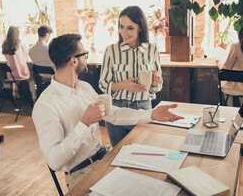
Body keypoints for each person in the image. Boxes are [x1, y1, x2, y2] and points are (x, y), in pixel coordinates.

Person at [32, 34, 182, 189]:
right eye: (85, 54)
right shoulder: (46, 105)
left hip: (105, 156)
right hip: (81, 172)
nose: (86, 58)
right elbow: (54, 161)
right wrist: (84, 123)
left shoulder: (84, 87)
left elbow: (114, 114)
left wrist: (151, 114)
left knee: (156, 173)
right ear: (73, 61)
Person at [98, 6, 163, 147]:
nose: (123, 32)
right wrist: (124, 85)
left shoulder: (153, 49)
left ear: (140, 28)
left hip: (143, 108)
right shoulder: (111, 51)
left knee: (143, 152)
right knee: (117, 154)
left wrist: (156, 83)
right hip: (116, 110)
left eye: (130, 28)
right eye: (121, 26)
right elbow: (103, 85)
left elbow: (158, 85)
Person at [2, 26, 37, 102]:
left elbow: (6, 58)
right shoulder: (21, 43)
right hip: (22, 72)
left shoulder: (5, 44)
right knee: (31, 78)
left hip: (11, 75)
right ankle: (34, 98)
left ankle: (15, 90)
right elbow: (26, 57)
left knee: (15, 75)